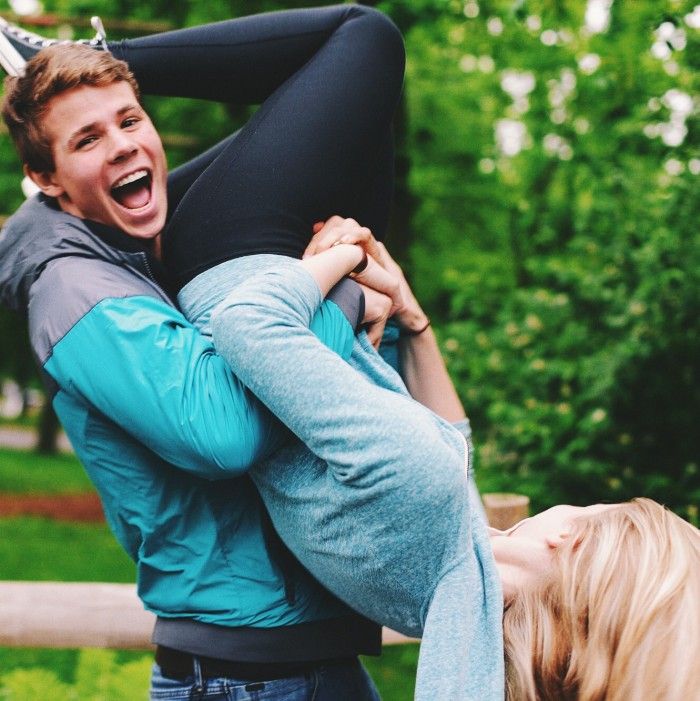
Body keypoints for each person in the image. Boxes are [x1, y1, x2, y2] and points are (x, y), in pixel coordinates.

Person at [0, 6, 408, 700]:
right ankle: (105, 52)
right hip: (245, 676)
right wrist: (345, 298)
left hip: (297, 662)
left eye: (131, 120)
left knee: (348, 108)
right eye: (88, 139)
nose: (123, 145)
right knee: (365, 40)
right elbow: (222, 432)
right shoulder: (74, 292)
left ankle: (101, 54)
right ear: (47, 179)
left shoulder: (118, 254)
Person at [183, 225, 700, 701]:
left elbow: (246, 321)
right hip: (232, 313)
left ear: (573, 538)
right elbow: (456, 456)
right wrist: (414, 322)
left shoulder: (426, 483)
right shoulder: (459, 617)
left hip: (241, 279)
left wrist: (349, 258)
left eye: (597, 508)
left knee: (365, 149)